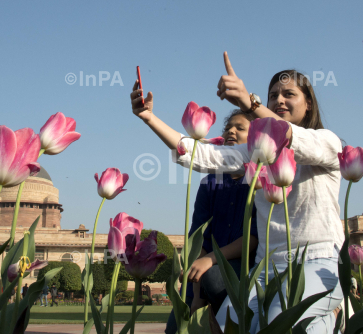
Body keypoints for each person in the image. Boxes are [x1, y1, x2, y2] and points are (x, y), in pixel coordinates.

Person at [131, 52, 344, 333]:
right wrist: (148, 118)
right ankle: (328, 321)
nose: (279, 99)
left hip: (316, 260)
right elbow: (201, 155)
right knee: (230, 324)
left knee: (278, 324)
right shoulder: (257, 153)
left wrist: (250, 102)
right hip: (266, 267)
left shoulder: (327, 143)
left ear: (308, 104)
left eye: (289, 94)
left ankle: (330, 319)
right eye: (272, 95)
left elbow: (289, 136)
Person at [164, 109, 259, 334]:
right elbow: (198, 237)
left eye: (240, 128)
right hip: (200, 274)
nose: (231, 131)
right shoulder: (210, 183)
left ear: (256, 139)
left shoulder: (260, 181)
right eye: (228, 128)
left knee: (215, 277)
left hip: (238, 271)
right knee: (176, 327)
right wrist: (197, 296)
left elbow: (254, 237)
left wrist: (211, 259)